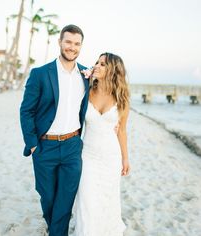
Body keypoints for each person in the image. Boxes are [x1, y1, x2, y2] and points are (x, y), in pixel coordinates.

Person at [20, 24, 89, 236]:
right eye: (68, 42)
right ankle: (55, 228)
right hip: (44, 146)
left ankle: (57, 232)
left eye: (77, 44)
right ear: (60, 42)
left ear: (81, 46)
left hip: (72, 146)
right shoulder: (41, 73)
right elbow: (26, 110)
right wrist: (32, 143)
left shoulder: (86, 76)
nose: (72, 47)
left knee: (66, 198)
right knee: (48, 196)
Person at [74, 52, 130, 236]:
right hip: (88, 155)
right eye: (96, 62)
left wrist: (125, 159)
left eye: (103, 64)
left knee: (107, 201)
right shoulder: (85, 91)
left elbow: (121, 130)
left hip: (111, 157)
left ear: (113, 70)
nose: (97, 65)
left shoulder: (122, 98)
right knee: (87, 201)